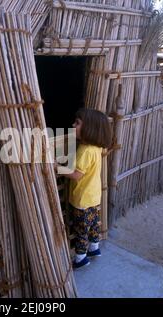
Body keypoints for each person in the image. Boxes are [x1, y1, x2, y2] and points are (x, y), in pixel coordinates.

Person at [62, 108, 112, 269]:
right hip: (94, 196)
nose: (73, 125)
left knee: (81, 230)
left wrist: (57, 168)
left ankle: (80, 258)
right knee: (93, 224)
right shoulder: (96, 148)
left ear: (89, 128)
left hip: (82, 199)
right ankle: (94, 249)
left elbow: (76, 174)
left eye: (77, 123)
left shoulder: (84, 151)